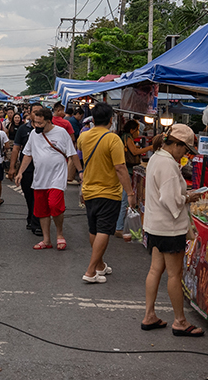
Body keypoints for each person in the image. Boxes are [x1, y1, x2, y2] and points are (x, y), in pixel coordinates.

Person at [142, 124, 204, 337]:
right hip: (169, 228)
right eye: (185, 149)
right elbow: (171, 200)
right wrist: (188, 197)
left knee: (154, 270)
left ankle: (149, 314)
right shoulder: (168, 164)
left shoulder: (155, 158)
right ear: (176, 144)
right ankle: (180, 321)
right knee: (174, 275)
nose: (185, 154)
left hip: (155, 225)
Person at [77, 103, 134, 283]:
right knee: (104, 230)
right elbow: (120, 168)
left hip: (89, 190)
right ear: (111, 120)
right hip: (109, 191)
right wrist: (130, 192)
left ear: (93, 120)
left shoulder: (83, 137)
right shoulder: (113, 139)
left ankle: (100, 264)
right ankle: (90, 270)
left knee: (94, 228)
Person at [15, 107, 81, 251]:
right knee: (42, 210)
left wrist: (80, 171)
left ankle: (59, 234)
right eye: (34, 123)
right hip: (40, 178)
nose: (36, 126)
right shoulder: (33, 134)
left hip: (57, 176)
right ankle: (46, 240)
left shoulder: (61, 133)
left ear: (48, 121)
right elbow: (28, 154)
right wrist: (20, 172)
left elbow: (72, 154)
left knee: (55, 205)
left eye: (39, 123)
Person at [8, 103, 44, 236]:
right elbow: (16, 148)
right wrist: (12, 168)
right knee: (29, 196)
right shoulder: (23, 129)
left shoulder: (48, 129)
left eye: (40, 112)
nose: (37, 115)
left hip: (43, 169)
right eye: (35, 112)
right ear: (30, 113)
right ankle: (31, 216)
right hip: (27, 168)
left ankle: (37, 223)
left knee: (38, 196)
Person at [115, 120, 153, 237]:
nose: (138, 133)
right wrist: (151, 147)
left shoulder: (124, 137)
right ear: (132, 130)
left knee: (123, 199)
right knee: (124, 199)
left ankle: (118, 225)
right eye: (137, 130)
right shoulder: (127, 137)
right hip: (126, 170)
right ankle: (119, 227)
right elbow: (135, 151)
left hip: (127, 169)